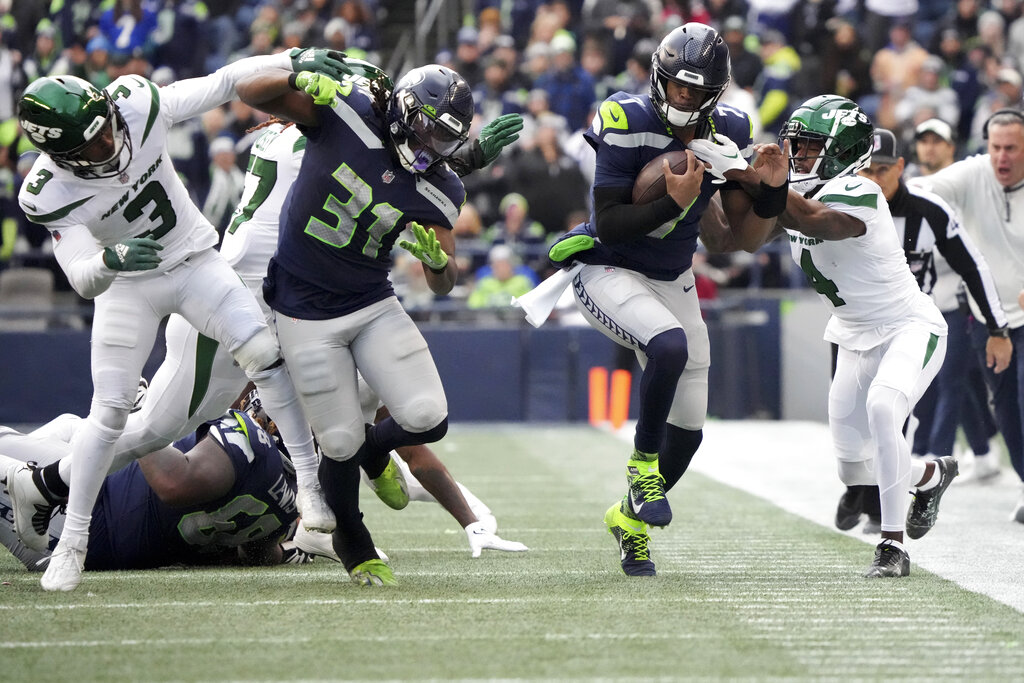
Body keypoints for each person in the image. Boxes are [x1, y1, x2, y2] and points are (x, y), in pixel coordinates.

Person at [6, 78, 526, 577]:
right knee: (155, 430)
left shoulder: (313, 135)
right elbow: (388, 163)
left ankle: (333, 489)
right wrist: (463, 160)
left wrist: (455, 158)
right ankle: (44, 484)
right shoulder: (329, 140)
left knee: (353, 390)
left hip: (270, 301)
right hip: (234, 300)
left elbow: (392, 159)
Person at [13, 48, 357, 592]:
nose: (109, 144)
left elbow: (225, 81)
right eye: (93, 145)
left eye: (105, 130)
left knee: (265, 358)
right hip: (129, 283)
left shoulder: (135, 103)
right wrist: (109, 260)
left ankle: (311, 488)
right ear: (61, 155)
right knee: (110, 412)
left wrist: (295, 59)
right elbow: (80, 275)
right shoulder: (46, 191)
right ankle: (72, 542)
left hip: (194, 260)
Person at [232, 62, 516, 584]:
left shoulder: (440, 186)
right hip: (302, 307)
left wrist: (437, 264)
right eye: (428, 128)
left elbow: (444, 281)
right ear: (405, 112)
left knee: (428, 415)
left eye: (446, 137)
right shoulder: (347, 114)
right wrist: (293, 75)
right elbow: (249, 91)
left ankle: (372, 451)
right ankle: (354, 544)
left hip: (370, 300)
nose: (432, 145)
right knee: (337, 444)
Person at [540, 23, 789, 576]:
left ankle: (628, 521)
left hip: (673, 277)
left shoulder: (729, 127)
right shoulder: (624, 117)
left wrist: (770, 193)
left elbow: (733, 241)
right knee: (668, 346)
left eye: (698, 91)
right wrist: (672, 204)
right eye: (679, 86)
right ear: (659, 78)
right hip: (610, 265)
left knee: (692, 432)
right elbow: (610, 221)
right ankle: (641, 466)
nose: (686, 98)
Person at [769, 95, 957, 577]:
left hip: (908, 327)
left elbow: (812, 220)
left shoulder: (863, 191)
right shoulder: (794, 193)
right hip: (853, 336)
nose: (796, 157)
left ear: (840, 150)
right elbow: (733, 238)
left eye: (808, 148)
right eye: (795, 146)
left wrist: (756, 180)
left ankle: (892, 547)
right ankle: (931, 475)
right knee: (854, 470)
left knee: (882, 409)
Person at [831, 128, 1011, 535]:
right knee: (847, 432)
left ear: (900, 167)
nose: (871, 180)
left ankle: (884, 515)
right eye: (864, 170)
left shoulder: (928, 210)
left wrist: (997, 325)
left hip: (905, 328)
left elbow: (971, 264)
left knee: (890, 416)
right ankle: (863, 485)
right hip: (851, 326)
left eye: (880, 170)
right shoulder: (839, 203)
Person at [0, 407, 303, 574]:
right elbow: (258, 556)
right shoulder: (287, 504)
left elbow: (171, 483)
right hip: (109, 523)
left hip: (79, 517)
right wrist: (290, 551)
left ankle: (31, 484)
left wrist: (142, 413)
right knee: (71, 425)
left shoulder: (249, 442)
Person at [915, 109, 1024, 522]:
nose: (1002, 157)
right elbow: (924, 188)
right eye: (996, 147)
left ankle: (944, 454)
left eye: (1012, 148)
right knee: (1006, 410)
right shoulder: (973, 172)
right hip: (986, 317)